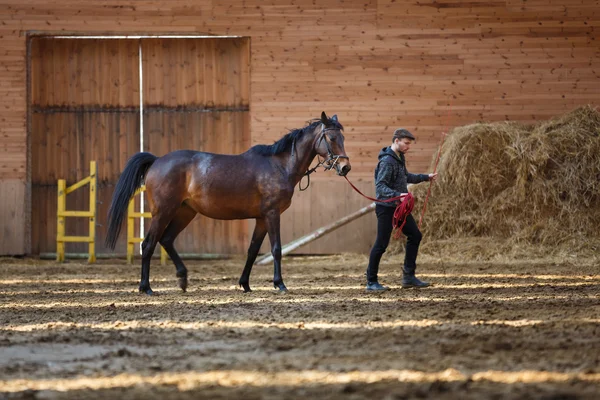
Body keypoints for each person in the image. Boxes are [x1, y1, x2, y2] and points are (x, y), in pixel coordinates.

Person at [366, 128, 437, 291]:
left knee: (415, 235)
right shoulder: (387, 161)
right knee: (381, 244)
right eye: (406, 143)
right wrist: (398, 195)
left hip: (399, 207)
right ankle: (371, 281)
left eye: (409, 144)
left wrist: (425, 177)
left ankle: (409, 277)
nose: (408, 147)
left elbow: (405, 177)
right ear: (396, 141)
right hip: (386, 208)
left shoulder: (399, 158)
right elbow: (380, 187)